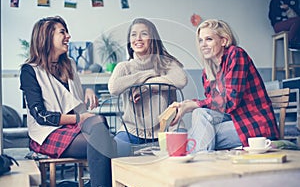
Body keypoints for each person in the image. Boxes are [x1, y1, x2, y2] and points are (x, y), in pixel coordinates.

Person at [20, 16, 116, 187]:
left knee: (99, 122)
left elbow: (72, 99)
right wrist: (79, 117)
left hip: (72, 128)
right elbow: (41, 117)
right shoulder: (29, 70)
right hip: (47, 133)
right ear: (46, 36)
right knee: (106, 143)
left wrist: (87, 91)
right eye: (62, 32)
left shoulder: (69, 64)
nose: (68, 36)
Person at [170, 19, 280, 152]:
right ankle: (200, 160)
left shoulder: (236, 55)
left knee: (199, 137)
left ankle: (198, 165)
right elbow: (216, 108)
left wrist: (194, 104)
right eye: (200, 40)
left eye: (209, 39)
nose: (203, 45)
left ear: (223, 41)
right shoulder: (208, 71)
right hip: (234, 120)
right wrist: (187, 105)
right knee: (199, 118)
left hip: (254, 125)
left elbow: (230, 101)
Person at [108, 18, 188, 151]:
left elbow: (181, 80)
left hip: (168, 127)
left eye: (144, 34)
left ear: (153, 39)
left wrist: (145, 87)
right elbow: (114, 88)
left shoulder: (166, 64)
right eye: (133, 35)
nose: (138, 38)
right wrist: (147, 75)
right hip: (133, 130)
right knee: (118, 148)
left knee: (180, 151)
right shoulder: (124, 67)